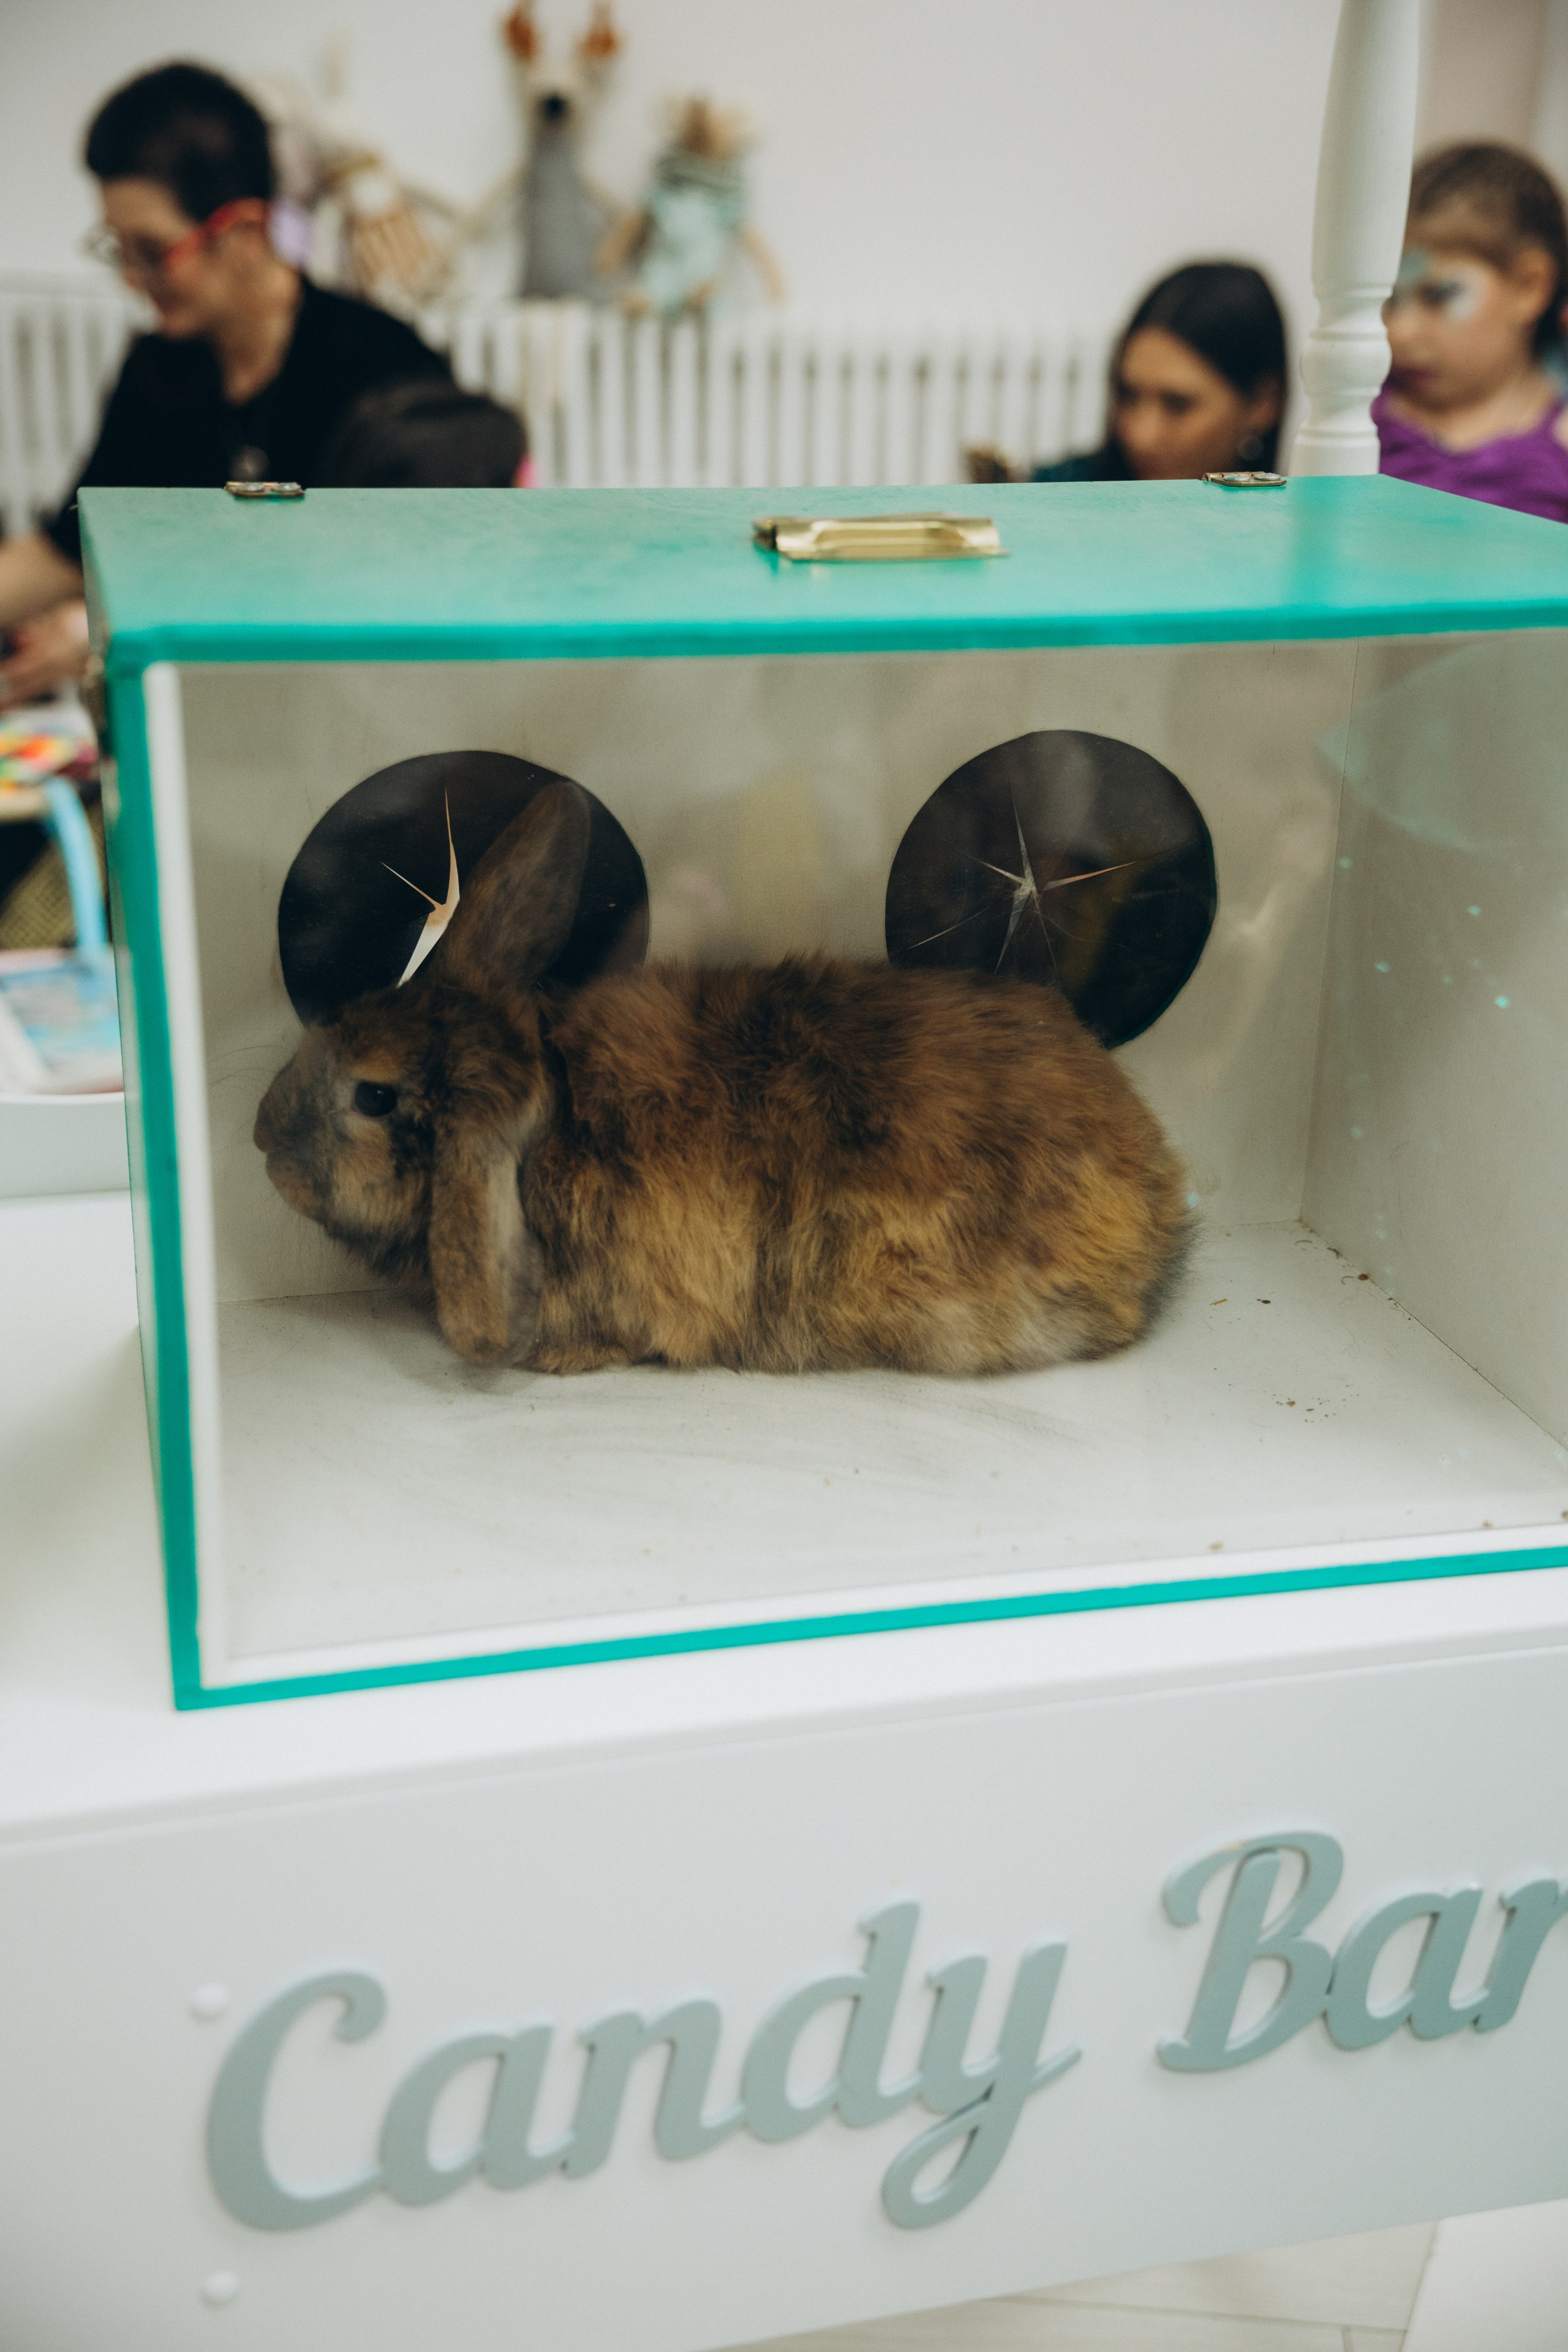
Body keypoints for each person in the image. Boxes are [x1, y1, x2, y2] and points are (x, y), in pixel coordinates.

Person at [0, 62, 454, 709]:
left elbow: (380, 606)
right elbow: (64, 555)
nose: (132, 277)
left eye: (152, 251)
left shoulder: (380, 371)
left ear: (243, 233)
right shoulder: (161, 369)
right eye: (119, 250)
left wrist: (112, 630)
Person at [1376, 143, 1568, 523]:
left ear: (1529, 286)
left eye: (1437, 296)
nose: (1399, 331)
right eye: (1390, 300)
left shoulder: (1561, 445)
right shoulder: (1358, 416)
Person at [968, 262, 1286, 485]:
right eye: (1128, 396)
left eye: (1178, 405)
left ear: (1263, 405)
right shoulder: (1054, 494)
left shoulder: (1299, 531)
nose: (1141, 437)